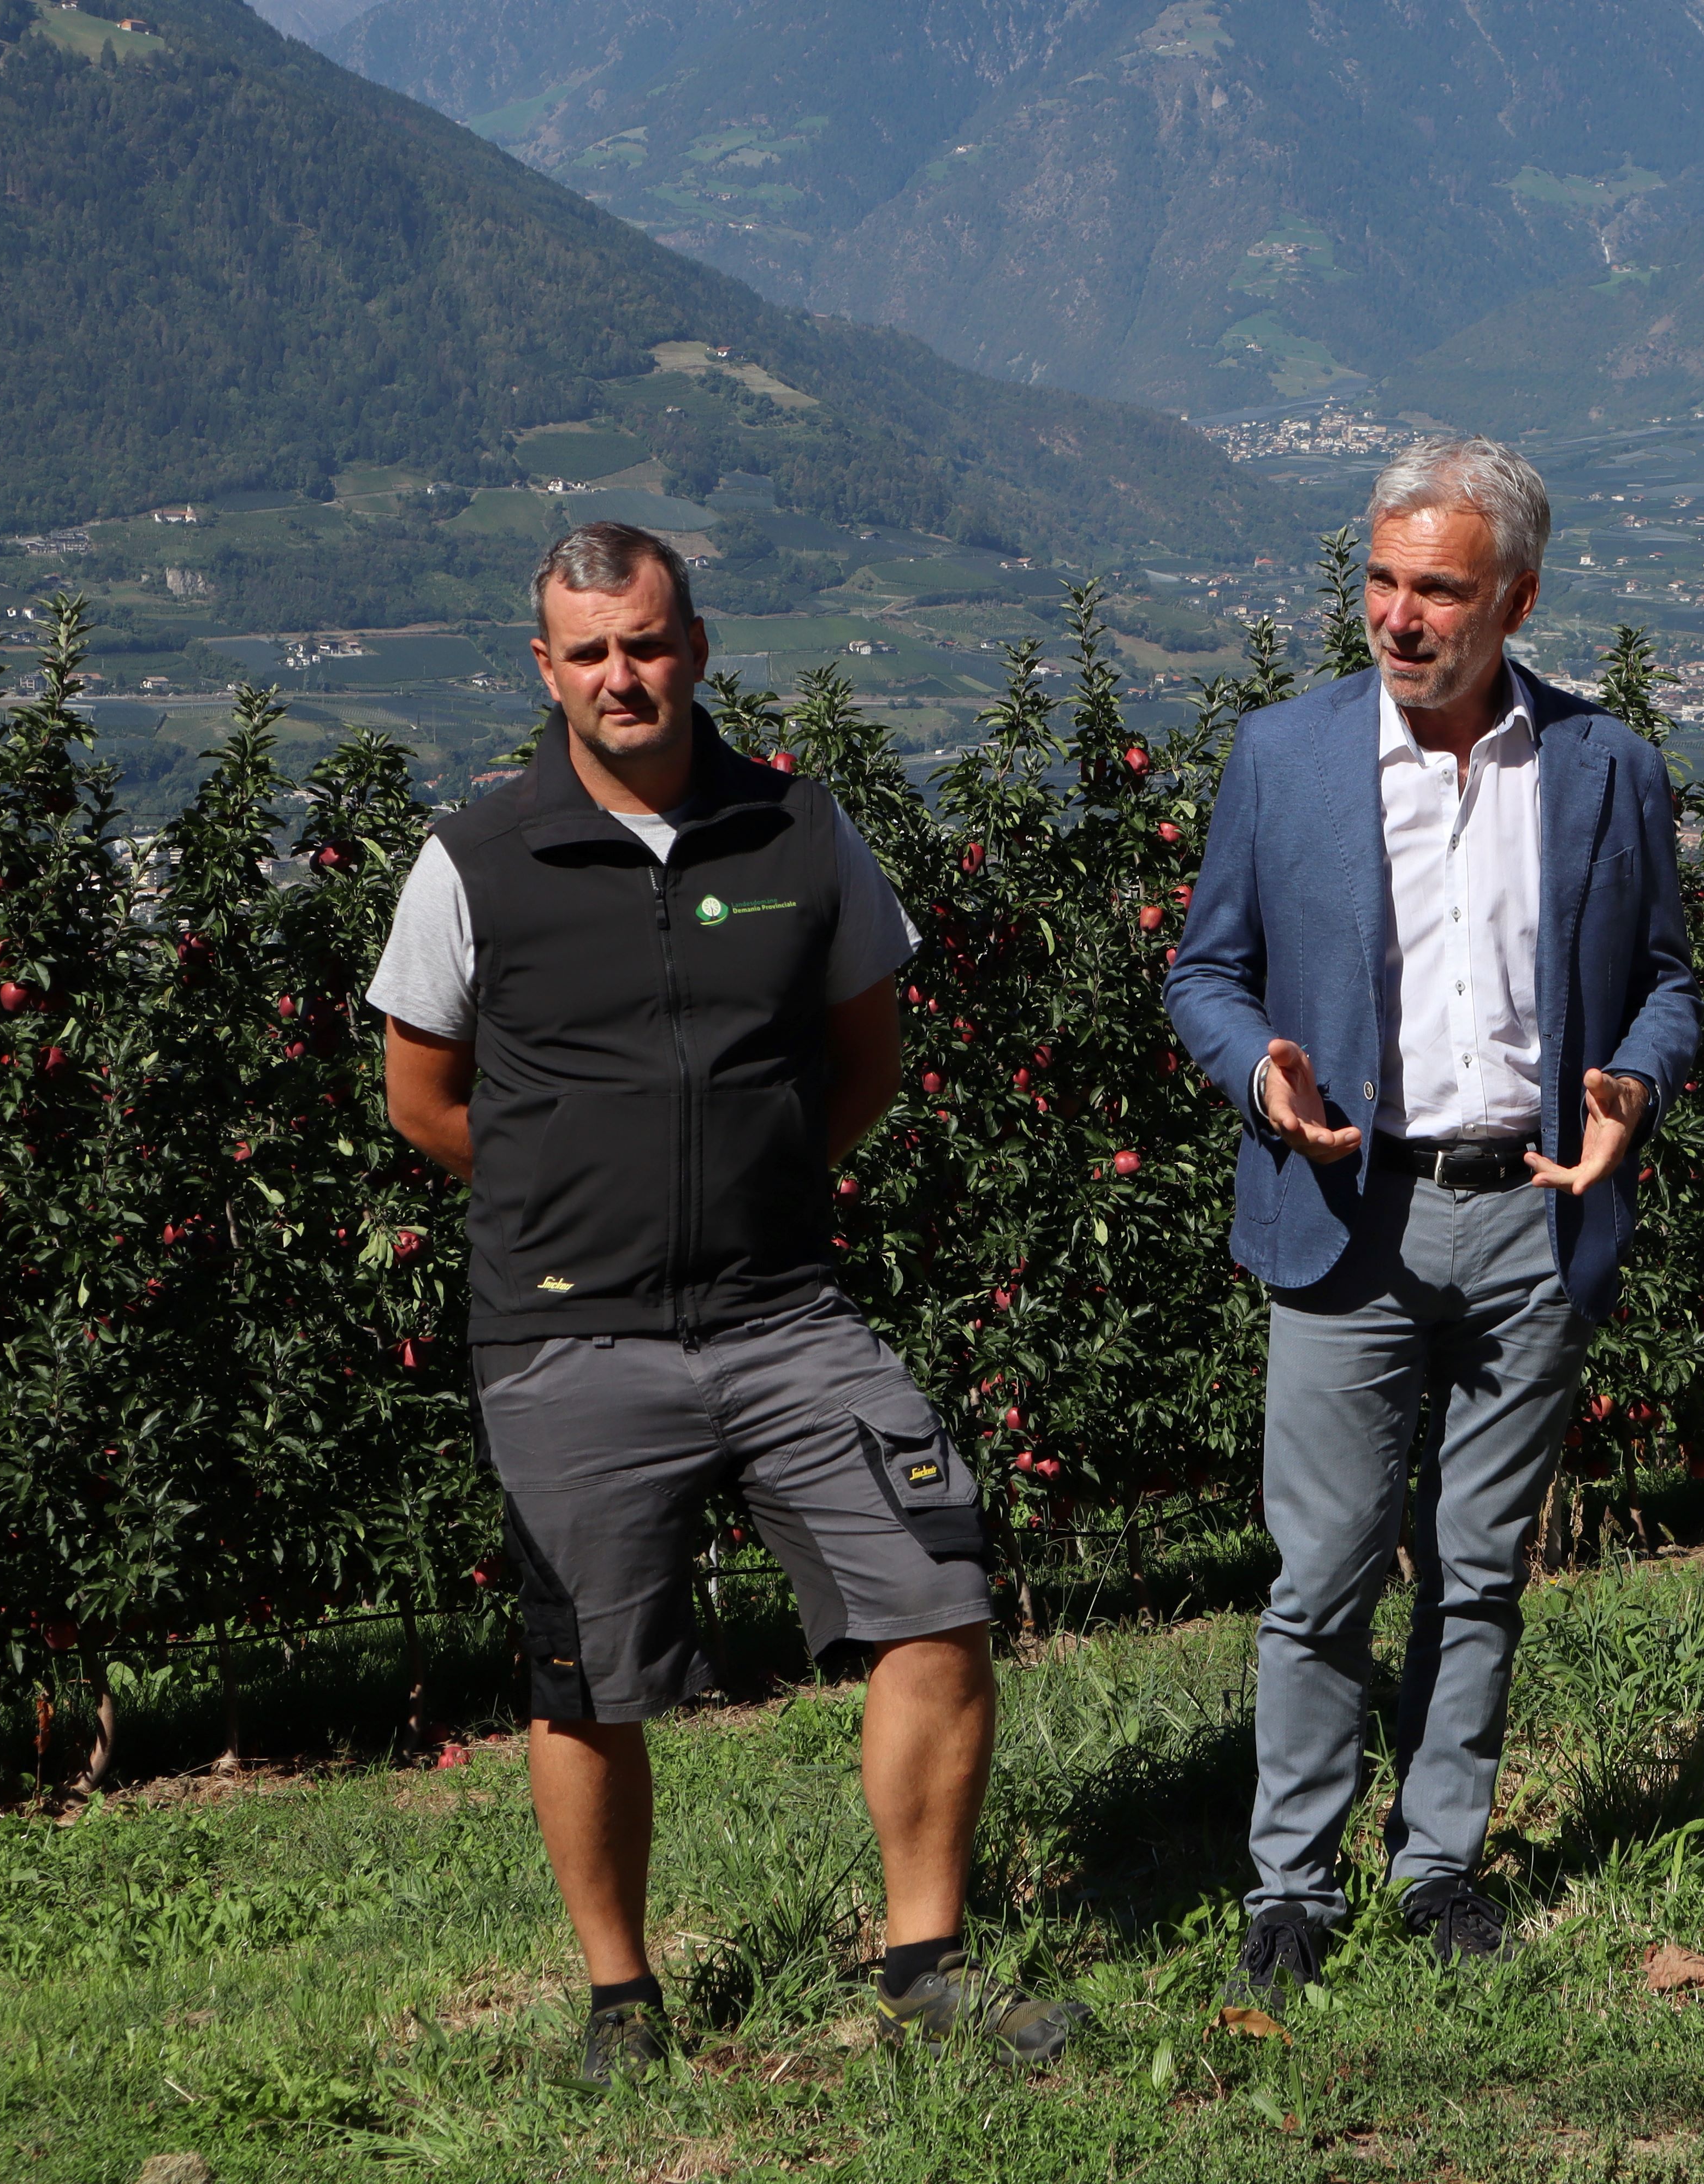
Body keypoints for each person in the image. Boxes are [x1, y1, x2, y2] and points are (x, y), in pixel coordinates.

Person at [372, 522, 1079, 2084]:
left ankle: (925, 1967)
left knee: (939, 1595)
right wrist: (572, 1204)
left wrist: (753, 1194)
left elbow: (867, 1060)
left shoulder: (802, 832)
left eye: (648, 641)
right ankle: (624, 2007)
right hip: (569, 1336)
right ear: (545, 668)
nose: (624, 675)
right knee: (587, 1675)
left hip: (785, 1316)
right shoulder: (475, 861)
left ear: (696, 645)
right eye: (591, 651)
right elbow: (425, 1098)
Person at [1166, 438, 1700, 2002]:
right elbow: (1206, 972)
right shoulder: (1285, 757)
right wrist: (1256, 1076)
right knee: (1321, 1573)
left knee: (1479, 1568)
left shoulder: (1608, 768)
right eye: (1382, 582)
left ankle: (1442, 1864)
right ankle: (1292, 1886)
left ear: (1516, 598)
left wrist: (1634, 1091)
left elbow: (1667, 980)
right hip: (1346, 1210)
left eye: (1438, 590)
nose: (1398, 618)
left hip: (1529, 1221)